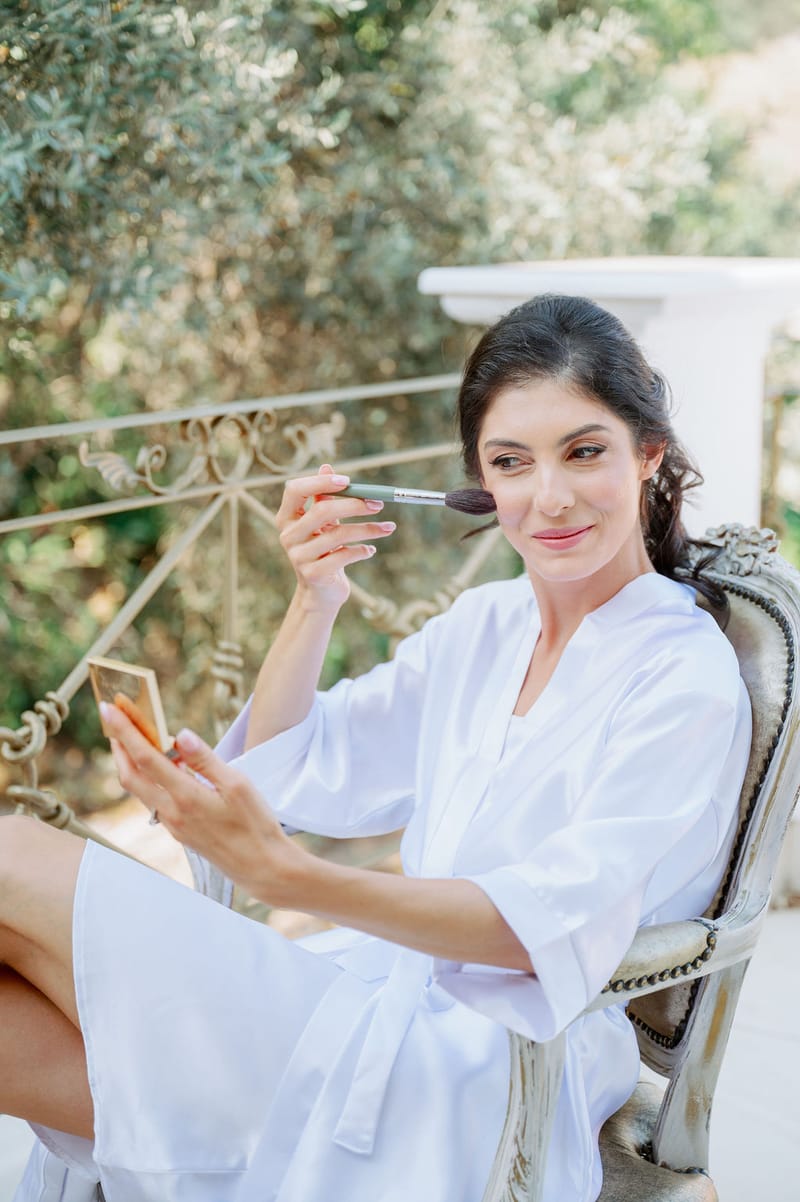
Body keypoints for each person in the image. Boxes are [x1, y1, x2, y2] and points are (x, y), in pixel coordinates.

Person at [1, 294, 752, 1202]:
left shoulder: (684, 681)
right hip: (358, 1004)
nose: (547, 497)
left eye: (583, 452)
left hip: (483, 1075)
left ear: (649, 454)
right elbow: (302, 768)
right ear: (481, 480)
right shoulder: (486, 625)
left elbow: (537, 932)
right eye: (510, 463)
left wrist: (288, 879)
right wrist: (313, 599)